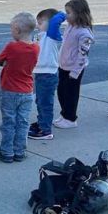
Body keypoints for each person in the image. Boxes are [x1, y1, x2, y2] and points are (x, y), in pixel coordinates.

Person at [0, 12, 39, 163]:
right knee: (23, 122)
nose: (11, 32)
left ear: (17, 30)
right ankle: (19, 151)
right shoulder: (35, 48)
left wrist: (6, 63)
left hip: (10, 90)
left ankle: (6, 151)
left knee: (9, 122)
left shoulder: (12, 47)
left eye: (12, 29)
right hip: (27, 91)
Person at [54, 0, 94, 129]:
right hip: (64, 66)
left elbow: (82, 55)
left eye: (68, 13)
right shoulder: (70, 27)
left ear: (79, 14)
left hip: (74, 69)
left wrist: (75, 72)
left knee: (71, 94)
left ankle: (71, 118)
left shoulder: (84, 33)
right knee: (61, 91)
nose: (66, 15)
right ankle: (64, 114)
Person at [28, 8, 67, 140]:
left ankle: (45, 130)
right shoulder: (40, 35)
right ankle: (41, 122)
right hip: (39, 73)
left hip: (48, 74)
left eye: (40, 22)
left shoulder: (53, 36)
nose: (37, 26)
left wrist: (62, 13)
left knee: (45, 102)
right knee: (40, 100)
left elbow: (56, 22)